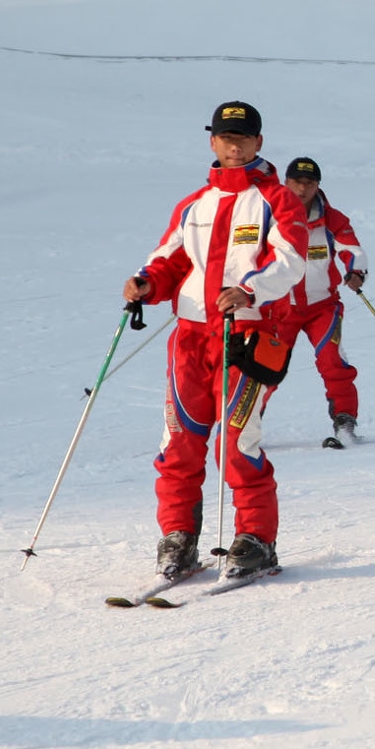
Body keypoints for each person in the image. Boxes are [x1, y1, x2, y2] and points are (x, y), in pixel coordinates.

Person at [122, 100, 312, 584]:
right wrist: (147, 283)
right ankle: (179, 537)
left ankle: (255, 539)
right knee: (179, 443)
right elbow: (169, 261)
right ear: (212, 141)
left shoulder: (277, 199)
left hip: (245, 335)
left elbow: (290, 261)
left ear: (259, 143)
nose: (234, 145)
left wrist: (249, 288)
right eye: (226, 136)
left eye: (243, 137)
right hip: (190, 338)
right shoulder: (193, 205)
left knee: (237, 440)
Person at [281, 156, 366, 445]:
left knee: (333, 362)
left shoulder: (330, 218)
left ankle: (345, 421)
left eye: (309, 183)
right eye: (297, 182)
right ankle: (243, 425)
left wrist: (355, 270)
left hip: (323, 306)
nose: (302, 189)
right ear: (286, 182)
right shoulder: (269, 214)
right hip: (280, 307)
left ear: (317, 186)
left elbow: (350, 246)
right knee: (263, 366)